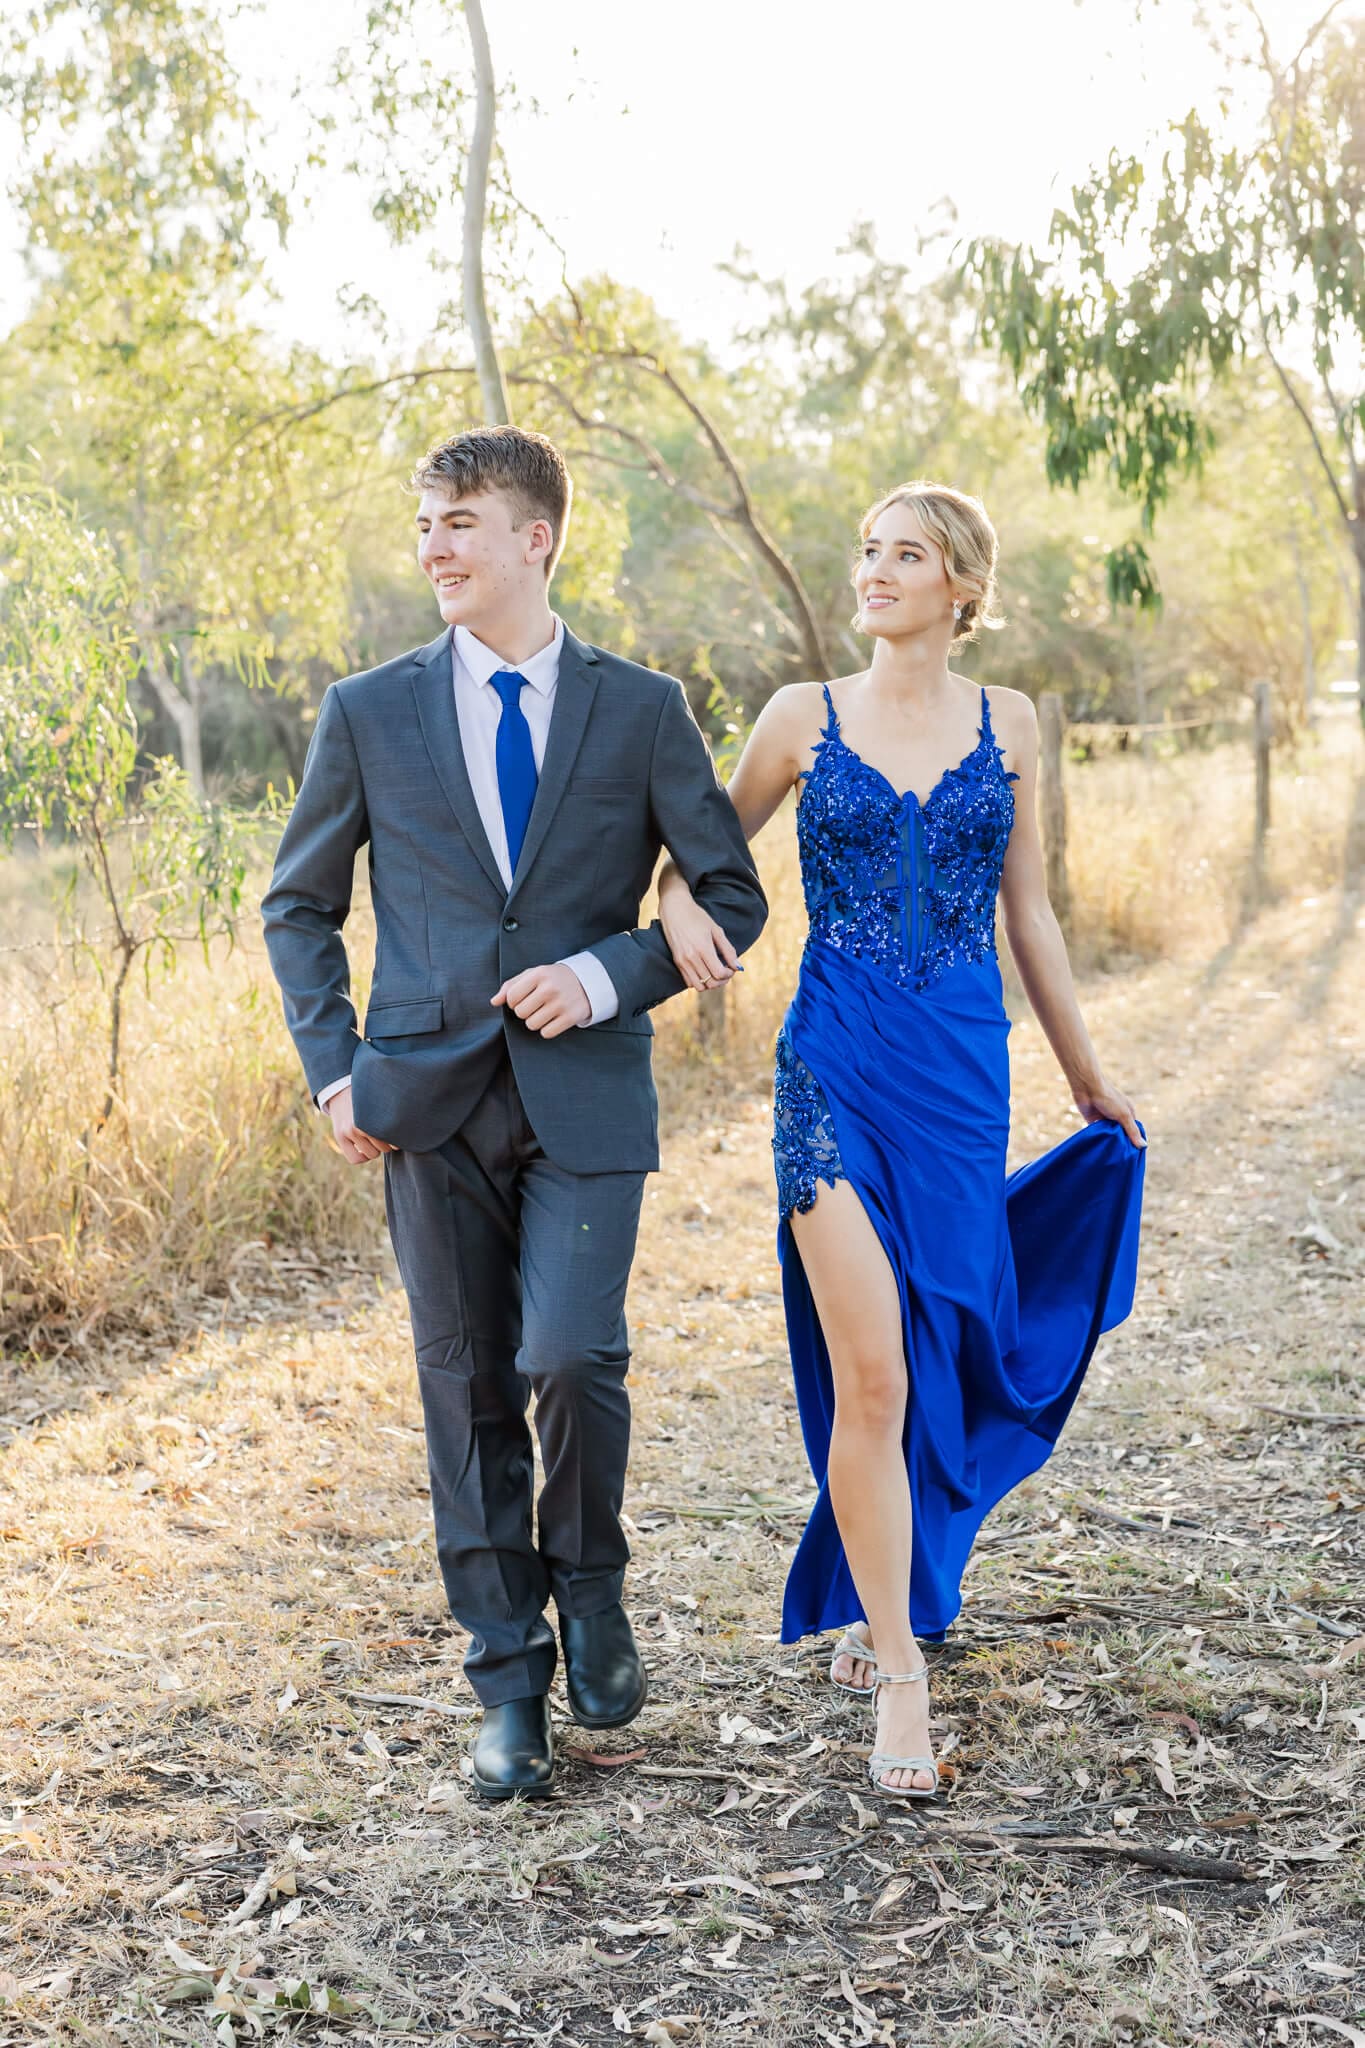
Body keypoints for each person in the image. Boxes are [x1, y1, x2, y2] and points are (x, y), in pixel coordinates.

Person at [262, 426, 767, 1800]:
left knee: (567, 1355)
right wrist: (332, 1066)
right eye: (425, 521)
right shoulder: (366, 710)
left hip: (586, 1097)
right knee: (464, 1386)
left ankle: (590, 1588)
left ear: (535, 538)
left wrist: (610, 972)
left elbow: (728, 898)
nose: (434, 543)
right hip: (421, 1101)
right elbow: (296, 903)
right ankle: (508, 1686)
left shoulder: (642, 707)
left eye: (462, 520)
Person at [657, 481, 1146, 1800]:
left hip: (958, 1085)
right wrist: (679, 911)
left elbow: (1030, 918)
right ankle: (898, 1676)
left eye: (905, 554)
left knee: (937, 1354)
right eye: (866, 551)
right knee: (870, 1377)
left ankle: (890, 1574)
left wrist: (1090, 1081)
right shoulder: (796, 719)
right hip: (831, 1071)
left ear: (961, 588)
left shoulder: (1013, 723)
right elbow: (700, 849)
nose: (873, 570)